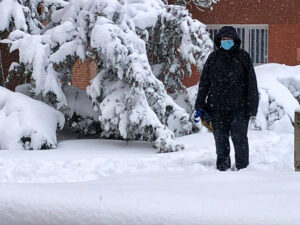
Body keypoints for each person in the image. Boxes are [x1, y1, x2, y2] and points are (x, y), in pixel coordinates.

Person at [194, 26, 259, 171]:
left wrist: (252, 107)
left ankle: (243, 168)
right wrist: (199, 105)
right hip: (217, 108)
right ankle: (222, 167)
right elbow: (204, 83)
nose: (226, 42)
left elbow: (251, 84)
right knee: (220, 139)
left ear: (235, 40)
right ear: (219, 41)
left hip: (240, 109)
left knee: (239, 138)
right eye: (223, 40)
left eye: (229, 40)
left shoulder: (243, 57)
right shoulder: (213, 58)